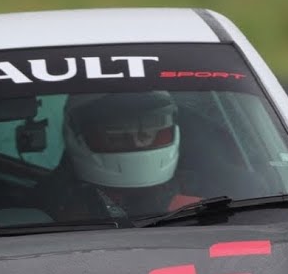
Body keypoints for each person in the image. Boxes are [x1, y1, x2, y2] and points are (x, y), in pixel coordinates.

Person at [45, 91, 201, 222]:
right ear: (77, 134)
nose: (139, 140)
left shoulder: (202, 209)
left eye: (152, 124)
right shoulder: (52, 211)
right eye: (117, 131)